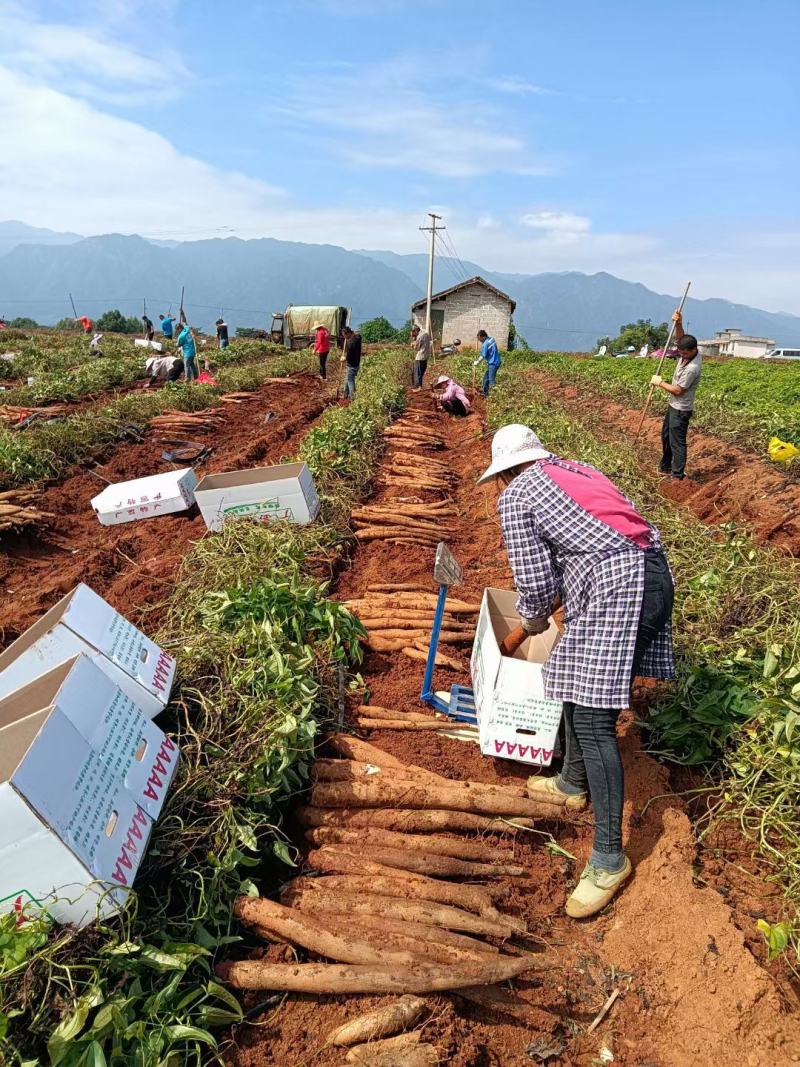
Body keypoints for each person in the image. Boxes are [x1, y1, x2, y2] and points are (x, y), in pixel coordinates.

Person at [478, 424, 675, 918]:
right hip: (650, 576)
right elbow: (594, 546)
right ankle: (571, 782)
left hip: (619, 592)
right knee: (571, 670)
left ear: (504, 473)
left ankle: (609, 858)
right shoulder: (575, 469)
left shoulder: (517, 496)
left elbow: (538, 583)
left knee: (593, 719)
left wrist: (528, 622)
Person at [652, 310, 702, 480]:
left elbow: (678, 391)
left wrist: (659, 382)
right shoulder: (685, 351)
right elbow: (680, 339)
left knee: (677, 442)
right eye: (680, 352)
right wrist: (679, 323)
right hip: (673, 406)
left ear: (694, 350)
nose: (682, 355)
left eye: (685, 353)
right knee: (666, 436)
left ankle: (677, 474)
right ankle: (665, 467)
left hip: (681, 409)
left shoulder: (692, 368)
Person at [474, 329, 501, 395]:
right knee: (486, 378)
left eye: (479, 339)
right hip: (497, 361)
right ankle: (485, 393)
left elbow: (483, 356)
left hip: (493, 363)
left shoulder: (485, 344)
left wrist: (477, 362)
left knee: (491, 380)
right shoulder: (492, 339)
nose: (479, 341)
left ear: (482, 337)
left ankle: (495, 396)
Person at [340, 326, 362, 399]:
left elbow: (349, 357)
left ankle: (352, 396)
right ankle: (345, 394)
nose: (345, 337)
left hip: (351, 365)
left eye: (345, 335)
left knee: (350, 380)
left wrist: (344, 358)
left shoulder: (350, 343)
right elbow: (359, 335)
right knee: (348, 378)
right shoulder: (358, 338)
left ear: (348, 333)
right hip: (357, 364)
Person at [410, 324, 432, 389]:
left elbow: (416, 348)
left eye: (413, 331)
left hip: (420, 357)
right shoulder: (426, 334)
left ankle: (418, 387)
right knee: (421, 373)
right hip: (425, 357)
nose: (413, 333)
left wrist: (413, 343)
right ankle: (420, 386)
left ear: (416, 330)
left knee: (417, 373)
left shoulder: (420, 336)